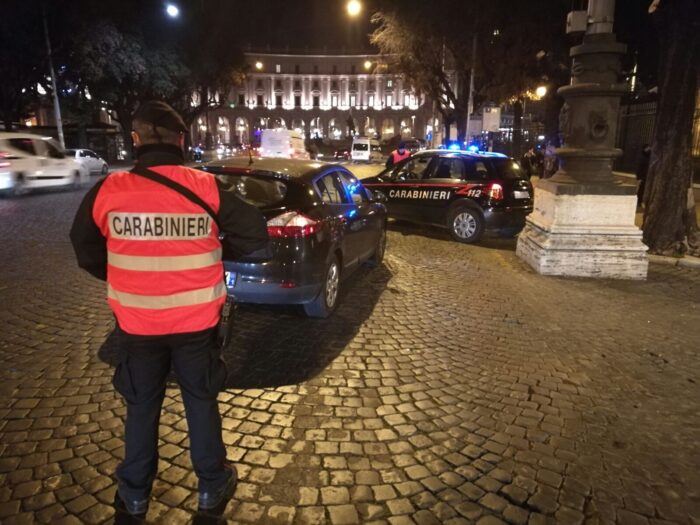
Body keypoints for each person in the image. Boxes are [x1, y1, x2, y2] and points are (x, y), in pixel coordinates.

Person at [70, 101, 269, 518]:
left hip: (138, 325)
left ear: (136, 140)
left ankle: (135, 495)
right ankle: (212, 487)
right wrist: (216, 247)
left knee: (142, 406)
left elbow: (84, 248)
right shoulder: (206, 186)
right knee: (200, 401)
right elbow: (255, 234)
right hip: (197, 324)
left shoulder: (110, 190)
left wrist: (125, 271)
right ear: (182, 140)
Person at [636, 144, 651, 208]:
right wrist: (639, 177)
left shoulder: (650, 157)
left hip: (648, 176)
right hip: (643, 177)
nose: (649, 149)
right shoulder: (642, 158)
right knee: (642, 190)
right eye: (647, 148)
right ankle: (639, 201)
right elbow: (639, 168)